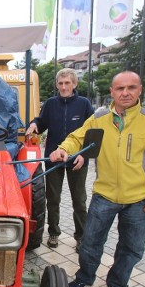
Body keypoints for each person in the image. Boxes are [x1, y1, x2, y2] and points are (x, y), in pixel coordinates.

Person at [49, 71, 145, 287]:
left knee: (132, 248)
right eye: (120, 89)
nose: (125, 93)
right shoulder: (99, 118)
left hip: (138, 199)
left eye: (131, 88)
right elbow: (77, 138)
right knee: (90, 243)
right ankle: (84, 278)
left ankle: (117, 284)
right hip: (104, 196)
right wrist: (63, 149)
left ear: (140, 90)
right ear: (112, 92)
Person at [25, 68, 94, 250]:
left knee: (79, 200)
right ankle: (54, 233)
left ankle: (81, 236)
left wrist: (84, 155)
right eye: (61, 83)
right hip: (54, 158)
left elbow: (93, 131)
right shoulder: (50, 103)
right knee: (52, 198)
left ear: (74, 84)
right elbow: (41, 122)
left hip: (77, 159)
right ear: (57, 85)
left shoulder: (84, 104)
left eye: (67, 83)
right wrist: (34, 124)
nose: (64, 87)